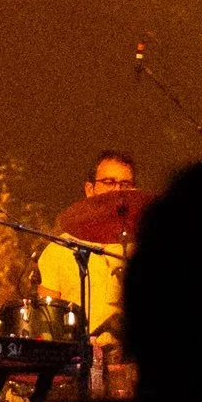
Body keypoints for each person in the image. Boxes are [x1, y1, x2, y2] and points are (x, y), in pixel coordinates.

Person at [37, 147, 136, 369]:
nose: (117, 190)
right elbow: (46, 325)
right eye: (109, 182)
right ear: (89, 189)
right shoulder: (60, 248)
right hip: (76, 367)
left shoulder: (144, 247)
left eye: (125, 184)